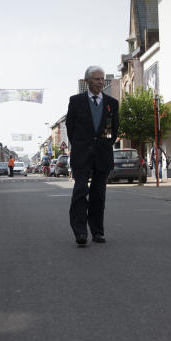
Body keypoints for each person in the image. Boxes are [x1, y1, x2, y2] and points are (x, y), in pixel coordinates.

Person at [66, 66, 119, 247]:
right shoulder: (76, 101)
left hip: (102, 155)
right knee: (80, 192)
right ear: (88, 81)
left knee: (98, 195)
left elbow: (113, 131)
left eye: (102, 79)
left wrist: (102, 145)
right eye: (97, 79)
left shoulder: (112, 103)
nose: (100, 82)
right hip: (81, 155)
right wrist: (82, 145)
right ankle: (80, 232)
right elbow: (71, 129)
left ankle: (97, 231)